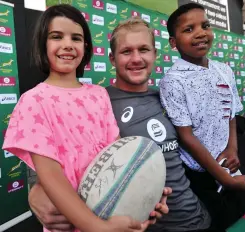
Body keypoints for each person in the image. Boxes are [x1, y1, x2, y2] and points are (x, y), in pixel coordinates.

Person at [29, 17, 214, 232]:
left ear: (155, 55)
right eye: (126, 52)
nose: (136, 58)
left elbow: (197, 147)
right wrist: (36, 191)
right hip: (132, 225)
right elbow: (51, 156)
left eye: (144, 50)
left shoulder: (169, 97)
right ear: (112, 59)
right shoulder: (96, 102)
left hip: (194, 218)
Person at [2, 5, 168, 232]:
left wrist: (143, 199)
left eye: (76, 38)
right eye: (56, 37)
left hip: (113, 219)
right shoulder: (33, 101)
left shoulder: (99, 94)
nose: (68, 44)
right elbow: (50, 176)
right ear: (42, 44)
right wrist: (96, 227)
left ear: (86, 46)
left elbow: (118, 153)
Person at [159, 3, 245, 230]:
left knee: (241, 216)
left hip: (230, 163)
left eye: (205, 25)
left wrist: (232, 148)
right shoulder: (173, 81)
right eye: (188, 29)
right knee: (217, 222)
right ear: (173, 42)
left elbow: (230, 113)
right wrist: (224, 178)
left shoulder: (224, 70)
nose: (200, 33)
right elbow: (186, 136)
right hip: (200, 174)